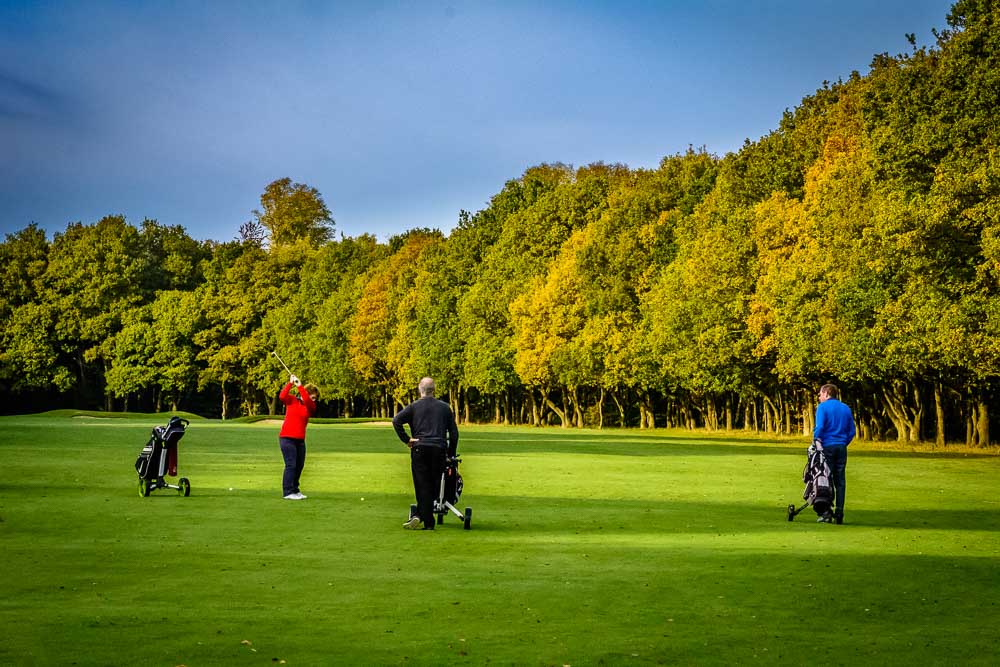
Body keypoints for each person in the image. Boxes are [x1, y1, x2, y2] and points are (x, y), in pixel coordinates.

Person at [392, 377, 459, 530]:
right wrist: (451, 453)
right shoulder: (444, 407)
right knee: (435, 484)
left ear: (419, 389)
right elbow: (454, 433)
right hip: (439, 448)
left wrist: (407, 440)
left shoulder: (414, 407)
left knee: (422, 484)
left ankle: (423, 517)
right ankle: (423, 517)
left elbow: (396, 421)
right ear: (434, 389)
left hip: (419, 448)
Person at [814, 383, 855, 524]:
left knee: (826, 479)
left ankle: (826, 512)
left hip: (827, 447)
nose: (819, 397)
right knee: (840, 481)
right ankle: (839, 511)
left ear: (826, 393)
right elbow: (852, 431)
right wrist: (843, 442)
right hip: (841, 447)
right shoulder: (845, 408)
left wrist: (815, 441)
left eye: (820, 394)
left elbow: (819, 427)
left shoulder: (822, 407)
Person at [278, 374, 319, 500]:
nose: (314, 400)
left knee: (299, 465)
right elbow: (282, 396)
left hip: (300, 440)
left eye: (315, 398)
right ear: (307, 393)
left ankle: (295, 490)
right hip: (287, 438)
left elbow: (307, 401)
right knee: (291, 465)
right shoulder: (292, 400)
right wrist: (291, 383)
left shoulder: (310, 406)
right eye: (313, 397)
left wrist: (300, 386)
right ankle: (288, 492)